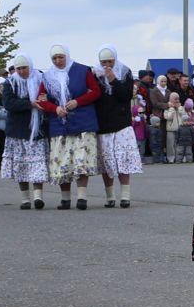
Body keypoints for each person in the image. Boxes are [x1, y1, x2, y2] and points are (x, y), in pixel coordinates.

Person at [37, 46, 102, 209]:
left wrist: (78, 101)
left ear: (66, 56)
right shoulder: (47, 76)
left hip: (82, 121)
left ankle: (82, 197)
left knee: (81, 161)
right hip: (59, 124)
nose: (58, 61)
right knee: (62, 162)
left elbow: (95, 91)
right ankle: (65, 199)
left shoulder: (82, 70)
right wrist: (55, 109)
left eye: (61, 57)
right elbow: (42, 100)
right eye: (54, 58)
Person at [90, 47, 143, 207]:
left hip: (121, 123)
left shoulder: (125, 71)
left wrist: (113, 79)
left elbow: (126, 95)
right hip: (103, 123)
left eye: (110, 62)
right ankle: (110, 196)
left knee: (123, 159)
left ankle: (125, 196)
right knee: (107, 162)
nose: (107, 65)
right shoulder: (94, 74)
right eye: (103, 62)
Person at [0, 55, 48, 208]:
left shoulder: (41, 79)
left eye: (24, 68)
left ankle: (38, 197)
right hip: (17, 130)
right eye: (18, 68)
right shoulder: (11, 83)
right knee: (21, 165)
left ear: (30, 66)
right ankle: (25, 198)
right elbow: (8, 103)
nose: (21, 71)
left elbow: (47, 98)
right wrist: (30, 104)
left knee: (37, 164)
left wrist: (41, 103)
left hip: (37, 129)